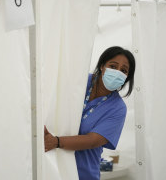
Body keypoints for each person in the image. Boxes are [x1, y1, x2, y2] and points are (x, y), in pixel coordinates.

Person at [44, 46, 136, 180]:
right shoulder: (79, 81)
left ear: (127, 78)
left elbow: (94, 140)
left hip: (83, 172)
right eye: (113, 66)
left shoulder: (118, 108)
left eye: (123, 70)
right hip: (51, 164)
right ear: (102, 66)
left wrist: (56, 142)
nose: (117, 72)